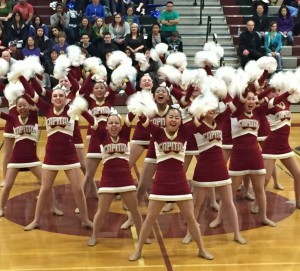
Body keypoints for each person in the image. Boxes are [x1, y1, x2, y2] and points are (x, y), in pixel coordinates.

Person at [128, 107, 214, 261]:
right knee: (150, 218)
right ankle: (138, 250)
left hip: (180, 183)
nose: (173, 120)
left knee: (191, 218)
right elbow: (143, 120)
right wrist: (138, 108)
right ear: (165, 120)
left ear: (181, 121)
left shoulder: (184, 132)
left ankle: (201, 249)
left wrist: (203, 107)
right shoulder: (158, 132)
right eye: (170, 117)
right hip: (161, 184)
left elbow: (199, 119)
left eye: (176, 117)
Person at [19, 76, 93, 231]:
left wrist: (87, 75)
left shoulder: (72, 110)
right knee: (45, 189)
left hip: (69, 156)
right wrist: (21, 75)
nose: (58, 98)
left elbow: (82, 90)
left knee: (78, 189)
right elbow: (32, 94)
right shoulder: (46, 109)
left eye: (61, 95)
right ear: (51, 99)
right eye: (55, 96)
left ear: (66, 98)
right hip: (51, 157)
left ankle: (86, 219)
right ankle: (36, 220)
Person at [87, 113, 143, 246]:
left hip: (126, 180)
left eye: (117, 123)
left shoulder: (125, 135)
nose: (114, 125)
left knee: (134, 210)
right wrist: (81, 109)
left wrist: (139, 104)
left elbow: (131, 116)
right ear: (106, 126)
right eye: (111, 123)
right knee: (101, 211)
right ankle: (94, 235)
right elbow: (92, 120)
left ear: (120, 126)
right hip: (108, 180)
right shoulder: (102, 135)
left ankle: (142, 236)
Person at [0, 96, 62, 217]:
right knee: (7, 185)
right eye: (19, 106)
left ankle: (53, 207)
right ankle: (1, 208)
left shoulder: (34, 115)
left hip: (33, 159)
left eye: (25, 105)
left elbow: (35, 98)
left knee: (47, 184)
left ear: (30, 106)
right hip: (16, 159)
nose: (22, 108)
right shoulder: (12, 118)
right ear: (15, 107)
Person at [228, 84, 275, 227]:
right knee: (230, 193)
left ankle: (264, 217)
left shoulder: (259, 113)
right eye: (248, 99)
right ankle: (219, 218)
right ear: (243, 100)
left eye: (253, 99)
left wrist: (274, 87)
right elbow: (234, 98)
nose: (251, 101)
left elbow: (272, 99)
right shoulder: (236, 112)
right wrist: (246, 84)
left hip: (255, 155)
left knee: (259, 190)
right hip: (238, 157)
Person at [262, 85, 300, 209]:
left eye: (277, 91)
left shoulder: (286, 102)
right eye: (272, 91)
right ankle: (257, 204)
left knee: (298, 174)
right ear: (267, 94)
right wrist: (287, 92)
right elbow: (274, 101)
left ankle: (299, 201)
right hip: (271, 146)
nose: (276, 93)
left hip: (284, 145)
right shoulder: (267, 105)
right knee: (266, 179)